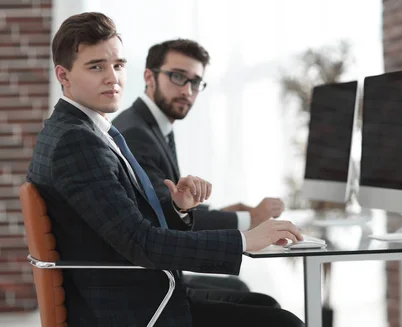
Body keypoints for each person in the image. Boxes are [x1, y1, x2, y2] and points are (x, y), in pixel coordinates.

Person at [27, 12, 304, 326]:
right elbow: (141, 242)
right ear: (63, 76)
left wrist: (176, 208)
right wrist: (245, 241)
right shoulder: (76, 141)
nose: (112, 78)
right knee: (284, 323)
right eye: (96, 67)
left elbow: (125, 224)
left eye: (117, 65)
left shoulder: (84, 130)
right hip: (130, 308)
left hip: (138, 289)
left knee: (265, 307)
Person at [112, 39, 285, 293]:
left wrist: (227, 213)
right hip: (151, 284)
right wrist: (252, 218)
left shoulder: (152, 126)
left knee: (241, 289)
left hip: (160, 274)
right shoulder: (137, 134)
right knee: (272, 311)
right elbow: (164, 218)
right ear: (149, 77)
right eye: (178, 77)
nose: (187, 91)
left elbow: (173, 208)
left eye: (195, 82)